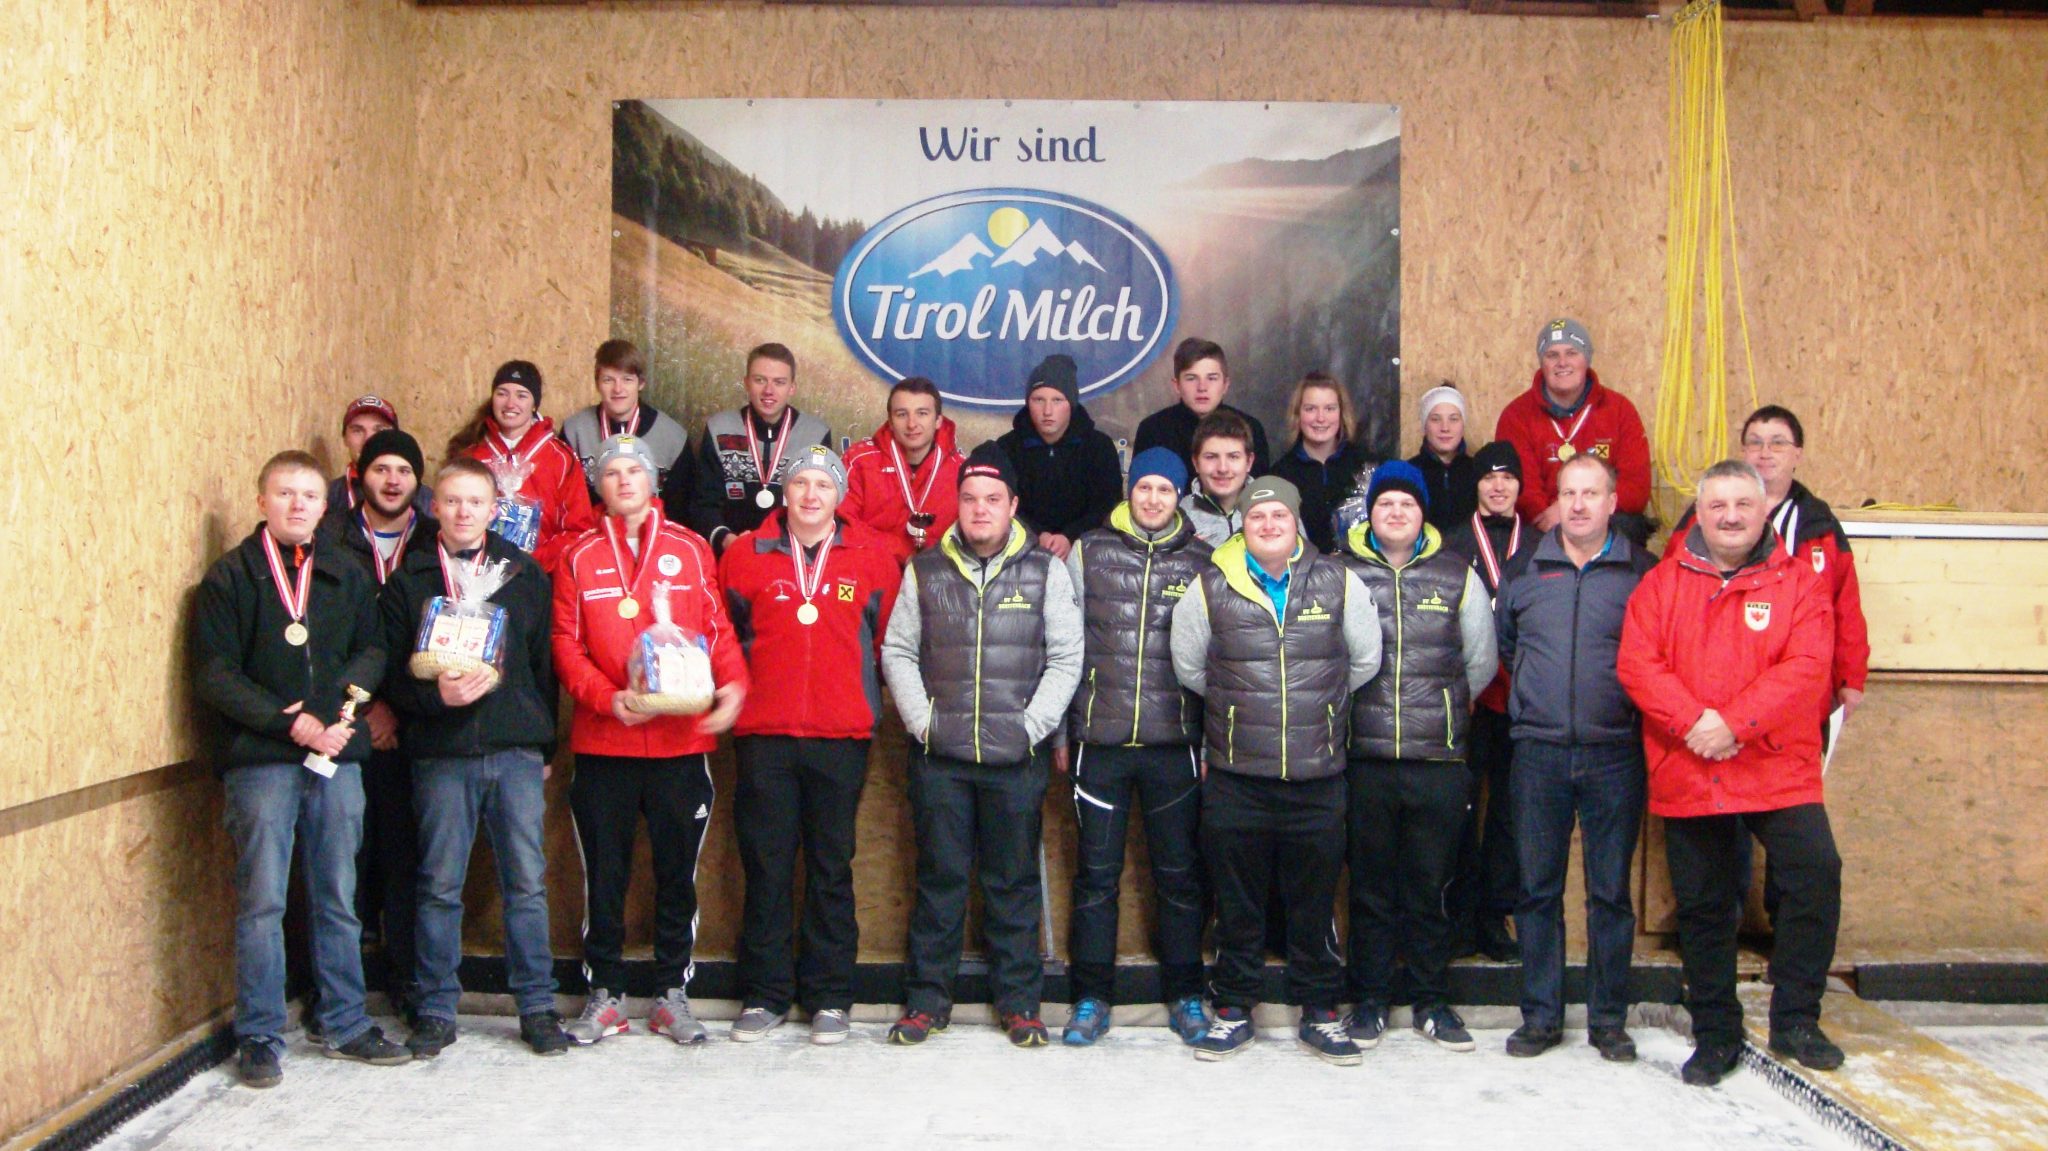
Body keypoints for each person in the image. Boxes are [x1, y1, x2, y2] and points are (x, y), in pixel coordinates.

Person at [1618, 460, 1842, 1086]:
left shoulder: (1798, 584)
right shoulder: (1662, 584)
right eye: (1718, 506)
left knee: (1815, 877)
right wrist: (1696, 724)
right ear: (1701, 512)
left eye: (1743, 505)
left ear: (1763, 509)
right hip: (1693, 764)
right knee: (1706, 906)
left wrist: (1733, 725)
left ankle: (1796, 1018)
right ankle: (1716, 1032)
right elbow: (1638, 665)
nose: (1731, 517)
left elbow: (1805, 667)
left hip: (1775, 764)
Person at [194, 450, 410, 1088]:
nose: (297, 505)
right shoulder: (231, 578)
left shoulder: (347, 572)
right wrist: (288, 722)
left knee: (337, 893)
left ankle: (343, 1021)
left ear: (325, 505)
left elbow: (374, 648)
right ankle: (259, 1034)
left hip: (336, 755)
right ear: (261, 501)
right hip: (263, 760)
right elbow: (213, 674)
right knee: (262, 899)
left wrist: (342, 708)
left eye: (309, 496)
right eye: (284, 493)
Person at [1170, 477, 1381, 1064]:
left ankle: (1320, 1010)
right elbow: (1191, 668)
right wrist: (1245, 708)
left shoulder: (1338, 582)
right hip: (1239, 774)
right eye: (1257, 515)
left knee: (1314, 901)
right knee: (1238, 902)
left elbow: (1364, 661)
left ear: (1296, 525)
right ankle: (1234, 1008)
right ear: (1243, 523)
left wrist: (1320, 702)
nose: (1268, 525)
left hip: (1317, 772)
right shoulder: (1211, 587)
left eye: (1279, 517)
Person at [880, 443, 1084, 1048]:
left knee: (1013, 881)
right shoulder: (925, 569)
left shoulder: (1045, 571)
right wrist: (922, 723)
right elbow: (897, 651)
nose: (979, 510)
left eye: (993, 500)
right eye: (969, 499)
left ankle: (1020, 1005)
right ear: (958, 505)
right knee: (939, 879)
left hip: (1013, 758)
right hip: (939, 757)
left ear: (1014, 506)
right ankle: (925, 1004)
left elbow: (1067, 656)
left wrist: (1031, 727)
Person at [552, 435, 748, 1047]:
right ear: (599, 487)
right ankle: (604, 994)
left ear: (654, 480)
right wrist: (606, 699)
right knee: (603, 875)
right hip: (604, 741)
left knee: (676, 875)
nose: (624, 480)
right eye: (611, 472)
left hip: (680, 745)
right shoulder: (578, 556)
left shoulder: (691, 550)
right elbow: (565, 644)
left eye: (634, 470)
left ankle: (671, 993)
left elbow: (716, 630)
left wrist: (735, 685)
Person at [377, 458, 572, 1058]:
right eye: (452, 501)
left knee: (527, 885)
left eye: (475, 503)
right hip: (441, 753)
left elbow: (543, 668)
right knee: (438, 885)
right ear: (435, 506)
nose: (463, 513)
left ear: (494, 509)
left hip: (514, 751)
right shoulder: (410, 580)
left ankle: (537, 1007)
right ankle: (436, 1008)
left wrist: (542, 745)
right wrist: (433, 699)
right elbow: (389, 675)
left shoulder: (524, 576)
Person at [717, 446, 903, 1046]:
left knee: (830, 867)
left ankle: (830, 997)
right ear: (785, 492)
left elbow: (887, 641)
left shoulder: (874, 556)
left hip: (841, 734)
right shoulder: (743, 555)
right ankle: (766, 994)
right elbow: (725, 638)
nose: (812, 495)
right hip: (763, 733)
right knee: (766, 865)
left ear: (839, 494)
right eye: (801, 484)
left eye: (824, 485)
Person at [1493, 454, 1656, 1063]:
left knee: (1610, 894)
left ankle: (1608, 1019)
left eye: (1592, 493)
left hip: (1615, 751)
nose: (1580, 504)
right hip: (1537, 752)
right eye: (1569, 493)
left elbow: (1657, 655)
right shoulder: (1526, 569)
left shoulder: (1642, 571)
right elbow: (1509, 647)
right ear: (1557, 500)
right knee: (1536, 890)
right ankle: (1540, 1016)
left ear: (1614, 502)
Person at [1055, 447, 1214, 1048]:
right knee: (1096, 876)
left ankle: (1186, 995)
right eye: (1144, 487)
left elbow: (1214, 657)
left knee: (1179, 876)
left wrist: (1208, 741)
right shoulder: (1090, 553)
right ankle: (1091, 997)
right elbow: (1064, 646)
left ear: (1180, 496)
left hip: (1176, 745)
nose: (1152, 499)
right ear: (1129, 491)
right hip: (1101, 741)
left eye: (1165, 490)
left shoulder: (1204, 561)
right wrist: (1067, 730)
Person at [1336, 460, 1497, 1054]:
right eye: (1385, 504)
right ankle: (1371, 999)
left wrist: (1442, 716)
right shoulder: (1341, 574)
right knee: (1371, 886)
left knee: (1430, 885)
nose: (1396, 512)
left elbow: (1478, 665)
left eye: (1407, 503)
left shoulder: (1458, 577)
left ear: (1422, 513)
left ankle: (1431, 1000)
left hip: (1437, 758)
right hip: (1365, 756)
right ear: (1370, 514)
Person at [315, 428, 433, 1023]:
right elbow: (330, 640)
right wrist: (365, 708)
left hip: (416, 721)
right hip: (348, 722)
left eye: (404, 471)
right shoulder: (328, 540)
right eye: (382, 468)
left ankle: (408, 980)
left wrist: (397, 707)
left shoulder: (436, 540)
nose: (392, 480)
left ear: (418, 481)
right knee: (346, 861)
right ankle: (338, 988)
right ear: (360, 474)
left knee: (407, 855)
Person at [1669, 405, 1871, 732]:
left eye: (1777, 443)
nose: (1765, 453)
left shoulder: (1819, 525)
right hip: (1712, 693)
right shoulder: (1702, 516)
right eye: (1755, 443)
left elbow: (1845, 608)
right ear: (1743, 453)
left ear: (1798, 455)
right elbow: (1669, 594)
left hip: (1797, 691)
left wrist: (1851, 678)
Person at [1440, 441, 1528, 963]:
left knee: (1510, 817)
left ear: (1520, 485)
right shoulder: (1452, 546)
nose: (1498, 486)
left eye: (1508, 477)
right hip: (1466, 701)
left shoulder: (1541, 545)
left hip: (1519, 704)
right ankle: (1457, 916)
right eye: (1489, 477)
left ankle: (1496, 916)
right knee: (1458, 811)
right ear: (1475, 485)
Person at [1491, 319, 1653, 543]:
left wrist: (1575, 509)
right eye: (1552, 355)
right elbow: (1521, 489)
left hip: (1605, 523)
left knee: (1630, 526)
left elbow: (1636, 489)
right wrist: (1556, 517)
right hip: (1543, 526)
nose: (1562, 362)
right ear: (1542, 363)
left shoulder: (1619, 410)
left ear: (1586, 359)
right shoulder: (1516, 416)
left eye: (1572, 353)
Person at [446, 360, 596, 572]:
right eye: (502, 393)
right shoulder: (470, 456)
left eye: (521, 395)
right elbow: (451, 517)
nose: (510, 403)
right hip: (475, 574)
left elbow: (578, 529)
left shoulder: (561, 458)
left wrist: (534, 562)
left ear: (535, 404)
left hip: (540, 576)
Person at [684, 342, 833, 556]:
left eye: (779, 382)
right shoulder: (720, 428)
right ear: (746, 383)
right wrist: (727, 540)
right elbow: (703, 504)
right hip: (731, 551)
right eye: (760, 380)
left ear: (792, 387)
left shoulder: (815, 434)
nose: (768, 391)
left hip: (792, 556)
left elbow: (822, 507)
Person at [994, 353, 1122, 560]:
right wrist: (1036, 534)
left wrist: (1071, 537)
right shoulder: (1006, 448)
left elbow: (1108, 506)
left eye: (1057, 400)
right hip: (1020, 553)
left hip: (1086, 554)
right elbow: (1000, 504)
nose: (1047, 410)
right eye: (1038, 400)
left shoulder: (1099, 447)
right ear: (1028, 403)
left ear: (1071, 403)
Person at [559, 338, 693, 512]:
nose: (618, 389)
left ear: (641, 383)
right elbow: (564, 503)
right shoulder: (574, 431)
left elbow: (681, 511)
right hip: (591, 533)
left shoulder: (673, 438)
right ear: (597, 384)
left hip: (653, 536)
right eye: (608, 380)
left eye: (627, 380)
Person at [841, 376, 964, 554]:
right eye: (902, 414)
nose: (912, 424)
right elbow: (841, 525)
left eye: (922, 413)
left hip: (938, 575)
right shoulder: (859, 461)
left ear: (938, 421)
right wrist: (900, 551)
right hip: (872, 571)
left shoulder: (961, 470)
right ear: (890, 421)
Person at [1132, 337, 1271, 475]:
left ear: (1225, 385)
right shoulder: (1153, 430)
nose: (1202, 387)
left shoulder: (1250, 428)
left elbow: (1258, 492)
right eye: (1191, 378)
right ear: (1177, 385)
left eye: (1211, 378)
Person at [1269, 371, 1374, 555]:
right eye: (1310, 409)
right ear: (1297, 414)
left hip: (1361, 573)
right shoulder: (1280, 474)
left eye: (1329, 408)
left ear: (1342, 413)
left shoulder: (1365, 464)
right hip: (1303, 575)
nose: (1320, 418)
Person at [328, 395, 432, 519]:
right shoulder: (328, 495)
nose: (368, 439)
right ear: (345, 438)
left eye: (380, 430)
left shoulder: (427, 500)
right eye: (357, 430)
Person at [1180, 411, 1256, 548]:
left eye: (1233, 457)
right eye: (1211, 457)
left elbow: (1302, 564)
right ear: (1196, 463)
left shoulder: (1275, 509)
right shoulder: (1180, 516)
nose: (1222, 468)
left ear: (1249, 462)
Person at [1409, 384, 1478, 534]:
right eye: (1435, 419)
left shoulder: (1478, 472)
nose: (1445, 428)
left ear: (1463, 424)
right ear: (1424, 425)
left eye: (1453, 419)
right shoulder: (1408, 473)